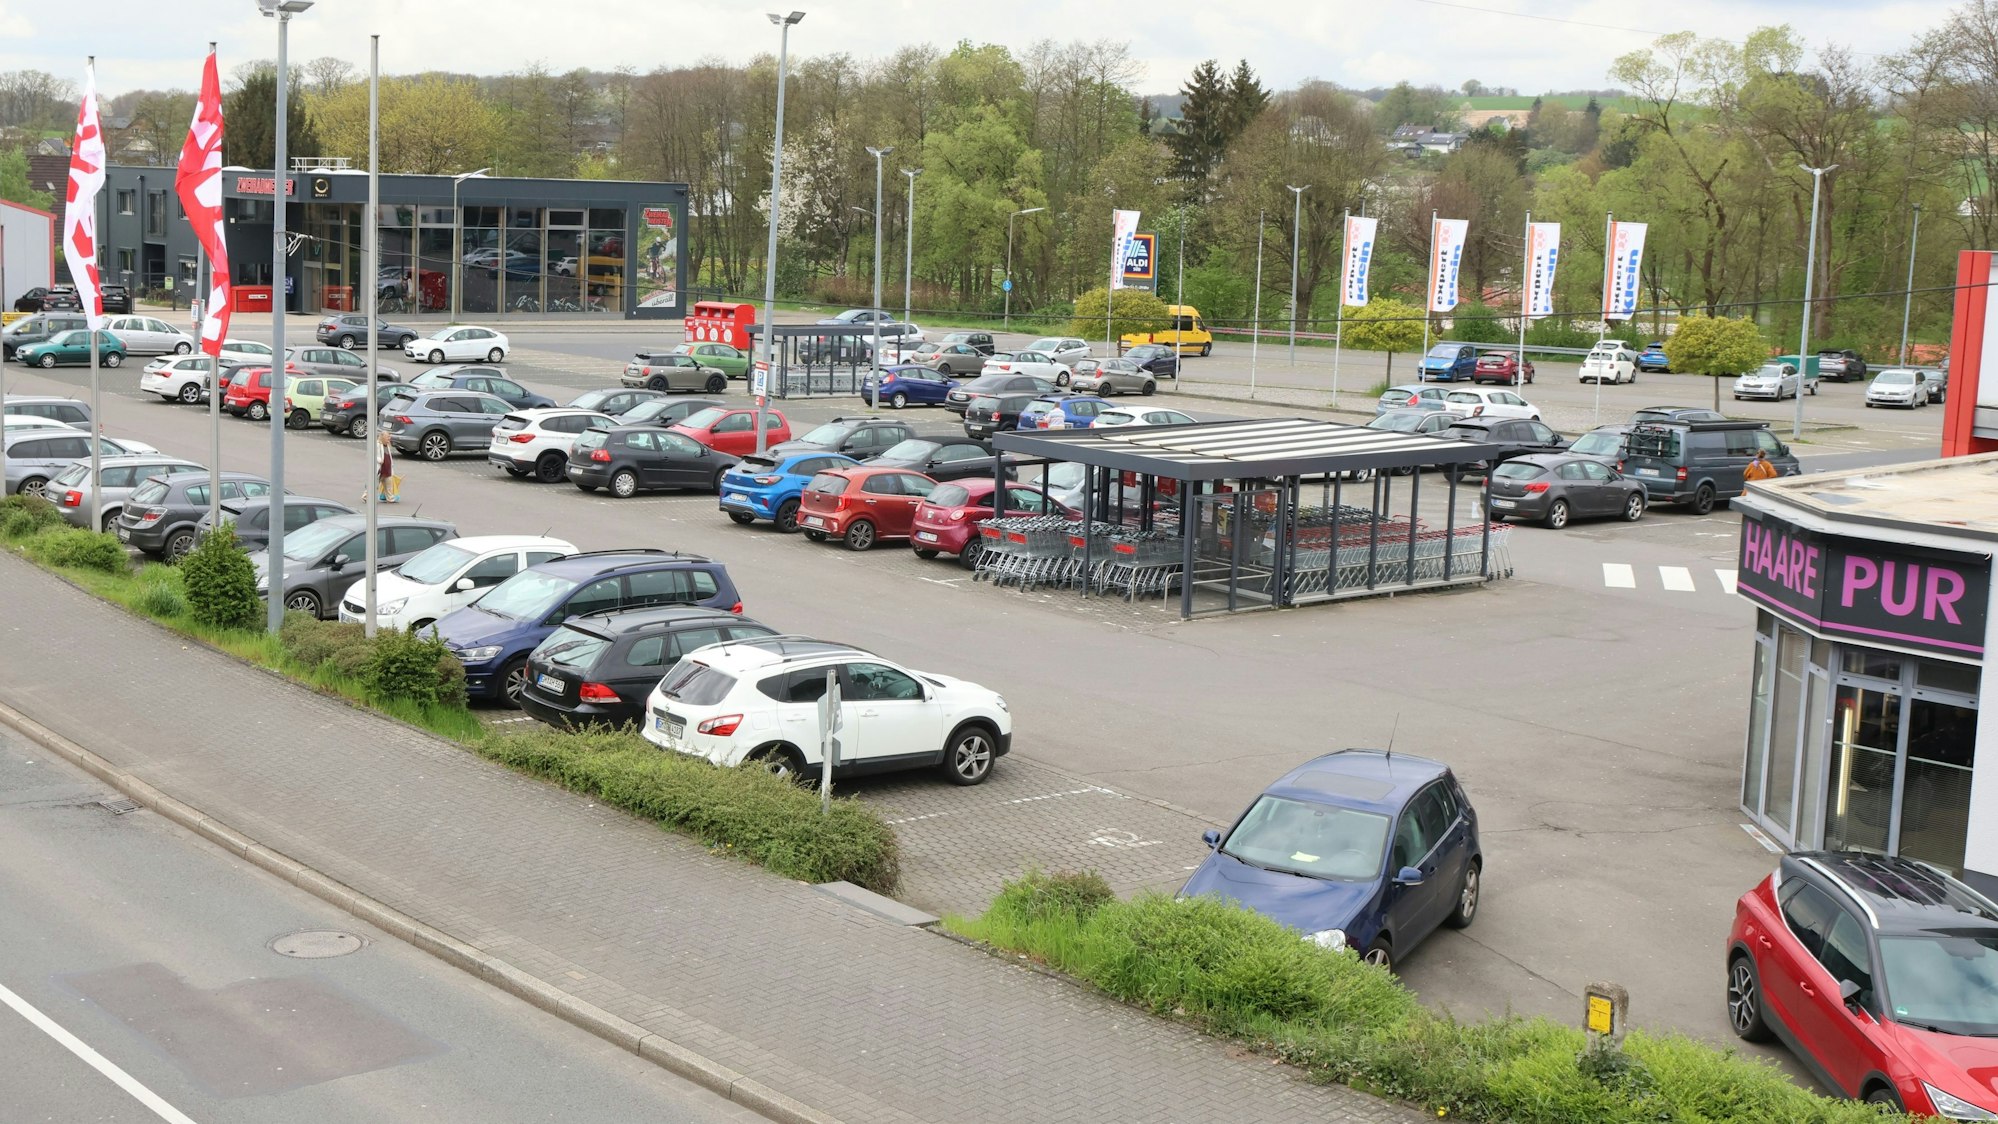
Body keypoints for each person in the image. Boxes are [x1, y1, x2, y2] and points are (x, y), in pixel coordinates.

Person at [376, 431, 400, 503]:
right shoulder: (377, 445)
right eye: (387, 437)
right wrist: (379, 460)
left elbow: (389, 457)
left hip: (387, 469)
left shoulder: (387, 445)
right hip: (380, 469)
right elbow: (374, 455)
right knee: (374, 485)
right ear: (382, 437)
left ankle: (390, 498)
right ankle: (366, 496)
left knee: (389, 486)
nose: (389, 438)